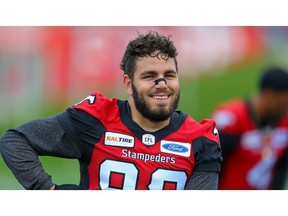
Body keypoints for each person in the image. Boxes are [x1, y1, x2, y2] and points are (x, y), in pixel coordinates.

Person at [0, 31, 222, 190]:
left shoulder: (200, 139)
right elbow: (16, 141)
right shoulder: (97, 117)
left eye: (169, 75)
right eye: (149, 76)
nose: (162, 83)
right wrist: (47, 191)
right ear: (128, 84)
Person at [212, 66, 288, 190]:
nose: (286, 111)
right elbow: (212, 167)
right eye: (283, 105)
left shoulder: (284, 122)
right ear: (269, 95)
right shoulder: (232, 119)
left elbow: (281, 169)